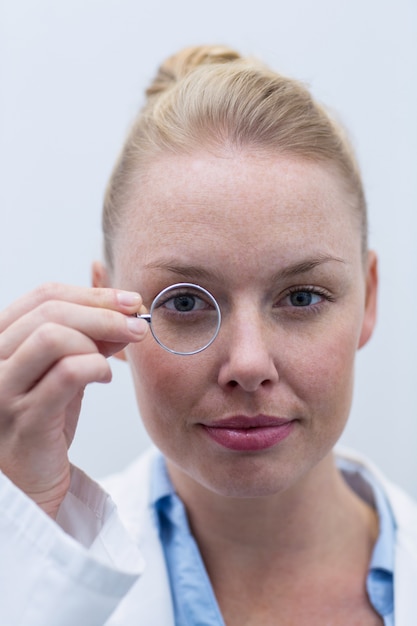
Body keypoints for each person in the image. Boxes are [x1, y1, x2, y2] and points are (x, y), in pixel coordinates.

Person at [0, 44, 416, 626]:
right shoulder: (27, 575)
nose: (248, 364)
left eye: (301, 297)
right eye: (187, 301)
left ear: (368, 298)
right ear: (106, 308)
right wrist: (21, 532)